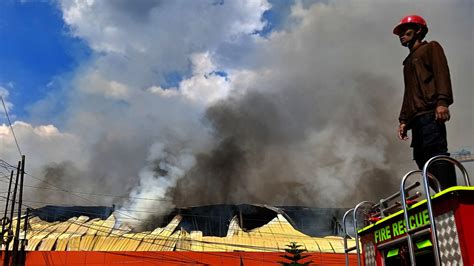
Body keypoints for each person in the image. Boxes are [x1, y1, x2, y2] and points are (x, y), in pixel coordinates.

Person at [393, 15, 456, 190]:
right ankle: (439, 193)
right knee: (421, 157)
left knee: (435, 152)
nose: (401, 35)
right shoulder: (407, 63)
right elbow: (409, 93)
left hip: (430, 112)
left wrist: (442, 102)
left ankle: (450, 194)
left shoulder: (431, 48)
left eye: (405, 30)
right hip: (416, 119)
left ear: (418, 30)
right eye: (399, 33)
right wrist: (403, 119)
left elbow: (442, 74)